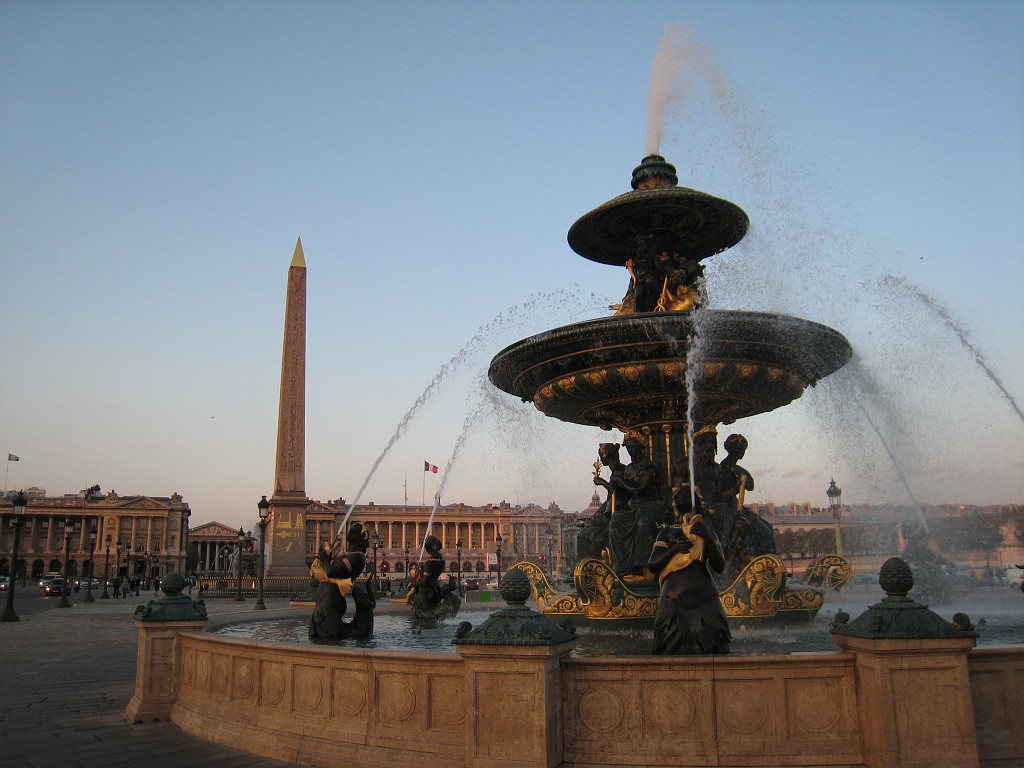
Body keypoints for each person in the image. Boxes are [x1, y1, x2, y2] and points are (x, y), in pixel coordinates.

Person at [647, 487, 730, 655]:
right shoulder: (667, 531)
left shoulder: (705, 530)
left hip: (705, 602)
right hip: (673, 603)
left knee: (715, 649)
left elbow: (719, 566)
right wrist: (674, 549)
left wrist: (708, 538)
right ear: (675, 508)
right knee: (668, 650)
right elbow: (653, 564)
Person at [607, 432, 670, 580]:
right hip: (633, 508)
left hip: (651, 505)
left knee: (643, 523)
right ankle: (620, 568)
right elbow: (625, 493)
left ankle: (642, 569)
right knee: (614, 524)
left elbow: (639, 490)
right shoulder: (629, 468)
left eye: (633, 446)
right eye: (628, 447)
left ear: (640, 447)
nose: (630, 450)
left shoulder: (649, 467)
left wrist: (620, 481)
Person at [577, 443, 627, 561]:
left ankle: (588, 565)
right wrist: (594, 516)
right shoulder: (615, 471)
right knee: (586, 528)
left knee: (583, 535)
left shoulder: (621, 470)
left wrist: (603, 483)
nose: (600, 459)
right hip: (611, 511)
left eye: (600, 455)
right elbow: (609, 501)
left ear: (607, 456)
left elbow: (620, 494)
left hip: (620, 511)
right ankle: (589, 563)